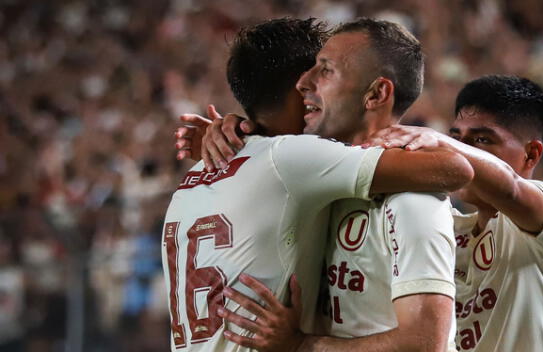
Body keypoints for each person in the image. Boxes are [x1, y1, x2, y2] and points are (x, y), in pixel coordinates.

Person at [200, 75, 543, 351]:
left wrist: (439, 141)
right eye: (457, 135)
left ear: (531, 154)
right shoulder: (443, 222)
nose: (459, 148)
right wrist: (246, 135)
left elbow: (510, 187)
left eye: (481, 140)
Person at [163, 18, 472, 352]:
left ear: (376, 92)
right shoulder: (299, 167)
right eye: (311, 71)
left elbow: (425, 343)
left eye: (324, 71)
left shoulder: (409, 199)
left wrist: (302, 346)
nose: (306, 84)